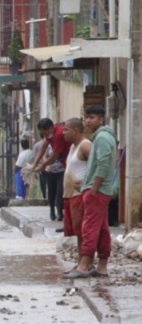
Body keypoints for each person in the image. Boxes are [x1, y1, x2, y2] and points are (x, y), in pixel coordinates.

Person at [66, 105, 119, 279]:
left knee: (89, 228)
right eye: (87, 117)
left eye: (93, 117)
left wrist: (94, 187)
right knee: (102, 229)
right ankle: (102, 266)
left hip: (97, 191)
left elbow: (103, 164)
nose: (88, 121)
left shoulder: (102, 138)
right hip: (98, 190)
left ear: (102, 120)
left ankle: (83, 266)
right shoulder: (102, 137)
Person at [59, 119, 91, 268]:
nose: (63, 133)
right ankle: (80, 262)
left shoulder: (85, 145)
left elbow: (98, 165)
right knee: (78, 232)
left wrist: (87, 183)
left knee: (84, 231)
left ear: (76, 131)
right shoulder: (73, 146)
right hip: (71, 195)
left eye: (66, 130)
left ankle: (86, 263)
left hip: (80, 195)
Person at [32, 118, 67, 221]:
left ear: (51, 128)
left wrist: (43, 165)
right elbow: (42, 148)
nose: (45, 136)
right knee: (51, 192)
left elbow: (55, 156)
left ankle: (60, 212)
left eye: (46, 133)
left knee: (60, 192)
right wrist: (35, 164)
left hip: (63, 167)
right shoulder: (50, 135)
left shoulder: (59, 134)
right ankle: (52, 210)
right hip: (51, 170)